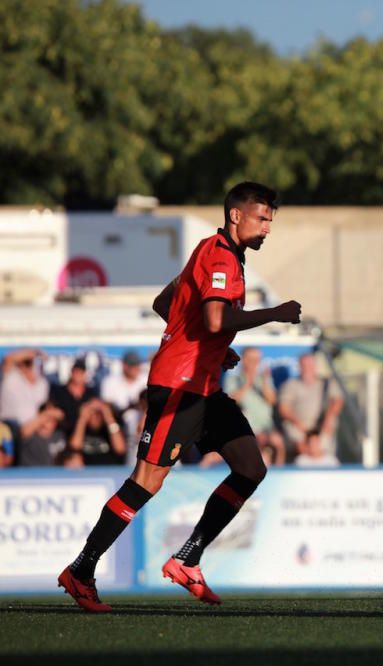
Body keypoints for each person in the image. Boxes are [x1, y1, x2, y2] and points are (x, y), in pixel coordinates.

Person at [58, 182, 302, 612]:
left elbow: (164, 303)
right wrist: (275, 314)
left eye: (270, 220)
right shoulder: (221, 255)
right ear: (236, 216)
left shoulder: (213, 251)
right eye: (262, 218)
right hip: (179, 386)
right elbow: (213, 317)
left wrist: (214, 346)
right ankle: (81, 570)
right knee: (146, 483)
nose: (268, 228)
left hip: (203, 384)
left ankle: (187, 557)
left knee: (250, 468)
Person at [277, 352, 344, 461]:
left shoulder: (327, 383)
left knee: (331, 424)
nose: (308, 368)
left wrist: (328, 418)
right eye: (304, 365)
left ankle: (326, 463)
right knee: (292, 431)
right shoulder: (290, 385)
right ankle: (303, 462)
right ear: (299, 367)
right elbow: (283, 408)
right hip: (298, 425)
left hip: (321, 426)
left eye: (310, 365)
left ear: (315, 366)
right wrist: (299, 424)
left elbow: (338, 401)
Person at [223, 346, 283, 450]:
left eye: (257, 360)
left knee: (277, 441)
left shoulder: (264, 379)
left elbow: (272, 401)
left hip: (265, 426)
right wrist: (247, 384)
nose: (254, 363)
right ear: (244, 360)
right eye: (251, 359)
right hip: (244, 427)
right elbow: (230, 401)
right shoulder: (234, 379)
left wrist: (264, 382)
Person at [67, 398, 126, 466]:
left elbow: (120, 448)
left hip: (109, 470)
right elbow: (75, 447)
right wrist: (82, 418)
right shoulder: (80, 429)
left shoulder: (111, 428)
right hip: (86, 472)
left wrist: (108, 416)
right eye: (91, 413)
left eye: (98, 413)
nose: (94, 417)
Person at [0, 348, 50, 429]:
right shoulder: (11, 377)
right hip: (9, 425)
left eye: (30, 362)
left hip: (31, 428)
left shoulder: (42, 383)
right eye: (25, 362)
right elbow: (8, 359)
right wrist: (34, 352)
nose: (27, 366)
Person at [49, 358, 98, 437]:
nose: (78, 374)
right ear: (71, 373)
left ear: (85, 374)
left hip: (85, 433)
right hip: (62, 432)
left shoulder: (91, 394)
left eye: (81, 372)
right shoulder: (58, 392)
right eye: (76, 372)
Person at [15, 402, 67, 467]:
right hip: (31, 475)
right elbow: (24, 432)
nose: (51, 420)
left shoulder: (59, 435)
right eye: (47, 417)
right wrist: (48, 413)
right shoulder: (31, 435)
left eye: (54, 418)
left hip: (54, 475)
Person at [100, 350, 148, 414]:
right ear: (124, 365)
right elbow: (106, 404)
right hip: (116, 415)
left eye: (137, 365)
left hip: (141, 414)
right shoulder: (110, 381)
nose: (135, 368)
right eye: (132, 365)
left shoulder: (146, 379)